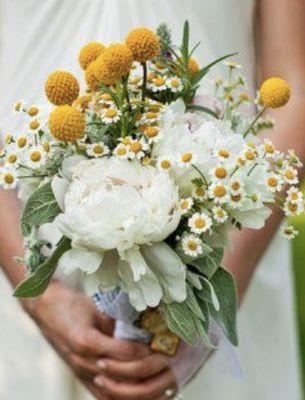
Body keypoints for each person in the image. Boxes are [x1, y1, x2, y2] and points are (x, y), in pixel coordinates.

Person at [0, 0, 304, 399]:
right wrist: (38, 294)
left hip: (224, 243)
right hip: (19, 258)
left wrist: (215, 296)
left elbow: (294, 88)